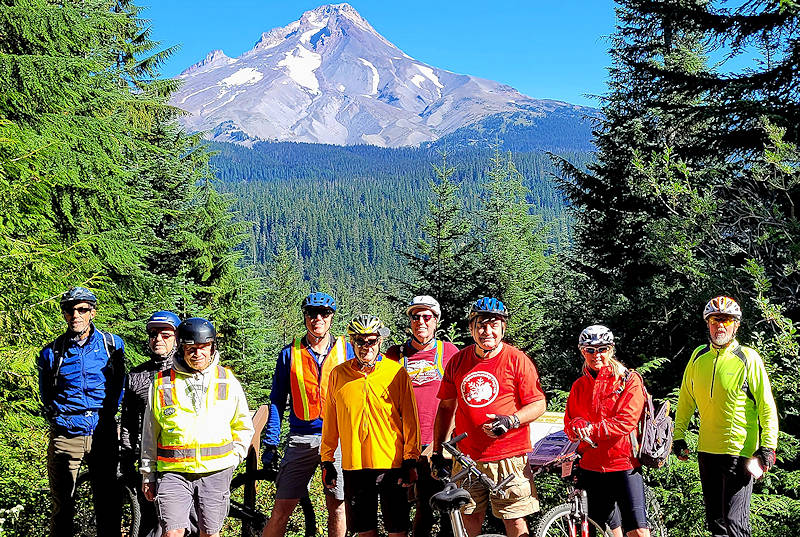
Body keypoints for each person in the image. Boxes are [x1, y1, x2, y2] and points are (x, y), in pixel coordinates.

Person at [431, 297, 546, 537]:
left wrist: (511, 421)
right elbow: (446, 408)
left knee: (515, 520)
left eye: (494, 324)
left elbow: (538, 404)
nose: (487, 331)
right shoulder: (458, 361)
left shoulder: (517, 359)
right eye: (481, 324)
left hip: (509, 458)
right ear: (471, 328)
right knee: (467, 519)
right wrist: (437, 451)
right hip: (466, 458)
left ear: (503, 328)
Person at [673, 296, 779, 537]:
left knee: (735, 523)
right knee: (716, 523)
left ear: (736, 325)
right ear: (707, 323)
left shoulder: (748, 358)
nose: (720, 326)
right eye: (714, 320)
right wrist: (678, 436)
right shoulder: (698, 356)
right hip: (707, 451)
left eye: (726, 320)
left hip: (739, 451)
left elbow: (766, 405)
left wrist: (768, 447)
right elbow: (686, 399)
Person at [140, 317, 254, 537]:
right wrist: (148, 474)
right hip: (173, 472)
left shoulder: (227, 380)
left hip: (216, 472)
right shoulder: (162, 382)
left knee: (210, 533)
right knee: (171, 532)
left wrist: (235, 457)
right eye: (191, 348)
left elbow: (243, 424)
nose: (197, 353)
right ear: (182, 348)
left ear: (212, 347)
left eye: (204, 347)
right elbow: (150, 433)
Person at [261, 292, 354, 537]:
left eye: (324, 313)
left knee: (337, 508)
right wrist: (270, 443)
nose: (318, 319)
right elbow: (277, 400)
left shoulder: (348, 350)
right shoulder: (289, 353)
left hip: (338, 441)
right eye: (312, 314)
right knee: (282, 508)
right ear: (305, 317)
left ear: (332, 317)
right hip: (301, 438)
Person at [321, 314, 420, 537]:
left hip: (391, 463)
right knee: (364, 530)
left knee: (397, 530)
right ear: (352, 341)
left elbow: (411, 421)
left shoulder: (396, 373)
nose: (366, 346)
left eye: (372, 341)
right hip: (355, 465)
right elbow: (331, 421)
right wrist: (327, 460)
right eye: (360, 341)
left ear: (380, 341)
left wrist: (410, 459)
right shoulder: (338, 374)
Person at [37, 286, 125, 537]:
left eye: (82, 309)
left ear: (92, 312)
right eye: (70, 309)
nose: (76, 314)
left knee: (108, 503)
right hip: (67, 434)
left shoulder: (112, 345)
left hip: (102, 432)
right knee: (63, 505)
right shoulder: (52, 352)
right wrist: (60, 417)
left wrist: (108, 416)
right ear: (64, 314)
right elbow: (46, 394)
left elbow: (119, 385)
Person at [564, 325, 649, 537]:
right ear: (582, 351)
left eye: (602, 349)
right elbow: (570, 423)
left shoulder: (629, 380)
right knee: (599, 529)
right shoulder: (579, 386)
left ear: (611, 350)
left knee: (638, 530)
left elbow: (626, 421)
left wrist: (591, 430)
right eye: (589, 350)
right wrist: (577, 427)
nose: (596, 355)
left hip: (624, 463)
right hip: (591, 466)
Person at [385, 295, 459, 537]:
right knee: (416, 509)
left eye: (427, 317)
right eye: (415, 317)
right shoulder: (395, 354)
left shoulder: (449, 352)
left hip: (440, 446)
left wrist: (444, 442)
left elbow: (460, 398)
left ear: (436, 321)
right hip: (405, 446)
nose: (421, 322)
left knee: (448, 508)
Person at [120, 311, 195, 537]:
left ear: (177, 338)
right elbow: (129, 423)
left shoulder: (190, 371)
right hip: (150, 462)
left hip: (186, 461)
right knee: (151, 525)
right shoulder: (136, 376)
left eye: (165, 333)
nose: (158, 339)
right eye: (153, 334)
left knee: (190, 525)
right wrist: (126, 459)